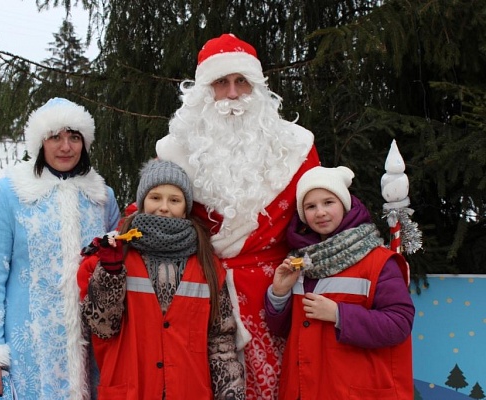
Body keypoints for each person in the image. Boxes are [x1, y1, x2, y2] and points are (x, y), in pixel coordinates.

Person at [155, 33, 320, 398]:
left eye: (241, 82)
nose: (232, 95)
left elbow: (322, 218)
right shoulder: (174, 151)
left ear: (257, 88)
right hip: (203, 295)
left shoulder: (297, 148)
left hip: (276, 297)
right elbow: (153, 220)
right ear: (202, 93)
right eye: (221, 83)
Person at [0, 97, 121, 400]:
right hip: (29, 347)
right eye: (55, 137)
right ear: (40, 142)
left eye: (74, 137)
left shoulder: (101, 195)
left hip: (90, 344)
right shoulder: (11, 192)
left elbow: (116, 267)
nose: (65, 147)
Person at [79, 159, 245, 399]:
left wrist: (230, 393)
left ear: (186, 207)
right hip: (131, 390)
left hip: (190, 390)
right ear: (142, 202)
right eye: (155, 197)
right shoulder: (117, 254)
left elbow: (221, 342)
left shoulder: (207, 264)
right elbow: (102, 328)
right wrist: (110, 273)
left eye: (174, 200)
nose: (164, 207)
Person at [264, 166, 415, 399]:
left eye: (328, 202)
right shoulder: (299, 261)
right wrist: (280, 293)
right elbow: (282, 330)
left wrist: (339, 315)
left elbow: (399, 324)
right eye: (310, 206)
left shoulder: (378, 261)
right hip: (305, 389)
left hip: (351, 390)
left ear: (345, 205)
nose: (320, 212)